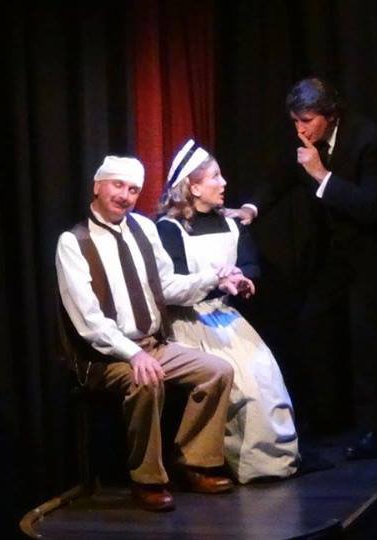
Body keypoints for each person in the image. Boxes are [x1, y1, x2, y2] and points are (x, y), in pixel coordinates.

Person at [56, 155, 252, 511]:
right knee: (146, 380)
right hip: (103, 357)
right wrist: (133, 354)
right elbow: (89, 320)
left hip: (152, 345)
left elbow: (168, 286)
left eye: (133, 190)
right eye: (118, 185)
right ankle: (147, 479)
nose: (125, 196)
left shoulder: (144, 229)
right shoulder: (74, 242)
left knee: (218, 371)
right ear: (98, 186)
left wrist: (215, 279)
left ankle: (193, 462)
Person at [227, 77, 377, 460]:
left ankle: (376, 430)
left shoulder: (370, 141)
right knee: (313, 325)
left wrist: (322, 174)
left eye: (307, 121)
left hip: (372, 258)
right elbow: (281, 177)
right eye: (295, 122)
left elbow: (371, 208)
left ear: (331, 115)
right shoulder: (308, 140)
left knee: (368, 342)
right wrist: (252, 209)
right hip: (335, 257)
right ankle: (326, 416)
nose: (300, 130)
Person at [156, 139, 301, 483]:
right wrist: (216, 280)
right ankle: (244, 463)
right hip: (189, 320)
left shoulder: (232, 223)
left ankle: (274, 462)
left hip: (225, 316)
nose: (224, 183)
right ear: (193, 187)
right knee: (241, 383)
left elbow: (250, 264)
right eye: (215, 177)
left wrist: (244, 280)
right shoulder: (169, 229)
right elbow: (173, 285)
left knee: (267, 376)